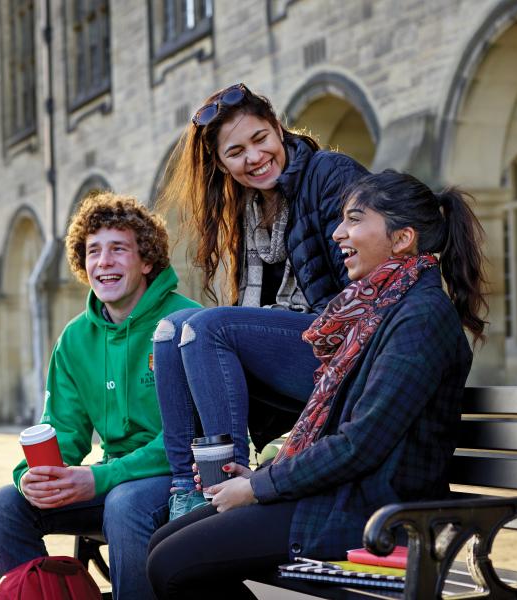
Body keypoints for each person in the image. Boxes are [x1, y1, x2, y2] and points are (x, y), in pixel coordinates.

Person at [145, 170, 488, 598]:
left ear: (402, 240)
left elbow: (359, 444)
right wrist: (263, 474)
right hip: (340, 494)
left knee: (172, 565)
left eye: (355, 220)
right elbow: (339, 432)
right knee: (161, 546)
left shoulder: (420, 318)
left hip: (373, 510)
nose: (338, 232)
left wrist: (256, 488)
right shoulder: (377, 309)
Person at [152, 83, 369, 516]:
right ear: (220, 163)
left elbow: (367, 286)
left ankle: (228, 489)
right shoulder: (248, 208)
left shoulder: (331, 175)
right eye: (235, 152)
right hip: (298, 355)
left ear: (278, 128)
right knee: (169, 331)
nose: (253, 157)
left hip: (347, 355)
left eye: (260, 139)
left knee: (205, 328)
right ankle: (187, 491)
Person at [0, 192, 200, 600]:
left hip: (180, 482)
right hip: (113, 480)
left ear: (147, 261)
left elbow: (187, 440)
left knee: (124, 503)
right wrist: (35, 477)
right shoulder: (74, 339)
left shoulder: (186, 322)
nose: (104, 262)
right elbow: (62, 429)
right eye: (93, 251)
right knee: (4, 505)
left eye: (119, 249)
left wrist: (99, 477)